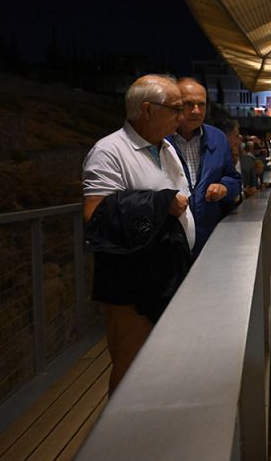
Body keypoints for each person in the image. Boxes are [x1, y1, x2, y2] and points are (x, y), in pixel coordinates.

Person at [82, 74, 195, 393]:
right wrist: (161, 203)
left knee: (161, 367)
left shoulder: (166, 147)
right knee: (131, 368)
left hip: (167, 275)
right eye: (176, 108)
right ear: (147, 110)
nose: (182, 116)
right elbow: (95, 214)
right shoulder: (109, 151)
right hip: (133, 283)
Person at [169, 78, 242, 257]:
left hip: (210, 239)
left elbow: (234, 179)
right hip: (170, 243)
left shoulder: (217, 138)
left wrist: (224, 187)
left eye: (202, 104)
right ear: (175, 104)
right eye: (189, 104)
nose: (196, 110)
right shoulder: (160, 138)